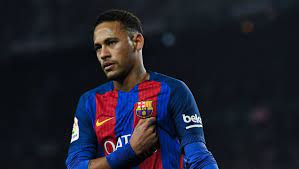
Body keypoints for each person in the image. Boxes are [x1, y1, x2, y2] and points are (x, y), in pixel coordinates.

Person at [66, 9, 219, 169]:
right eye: (98, 47)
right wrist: (130, 151)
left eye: (111, 42)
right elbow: (76, 166)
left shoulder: (172, 90)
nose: (103, 54)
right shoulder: (90, 102)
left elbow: (199, 158)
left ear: (137, 42)